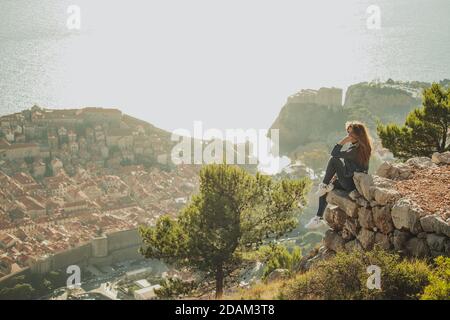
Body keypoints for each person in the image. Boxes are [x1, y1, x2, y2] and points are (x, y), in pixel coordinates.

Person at [305, 121, 372, 229]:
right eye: (348, 133)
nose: (348, 136)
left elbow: (334, 154)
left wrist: (342, 141)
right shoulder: (359, 146)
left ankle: (323, 186)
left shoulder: (357, 149)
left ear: (358, 134)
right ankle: (318, 218)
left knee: (334, 161)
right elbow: (352, 166)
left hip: (351, 184)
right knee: (327, 187)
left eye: (351, 133)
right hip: (350, 181)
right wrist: (337, 175)